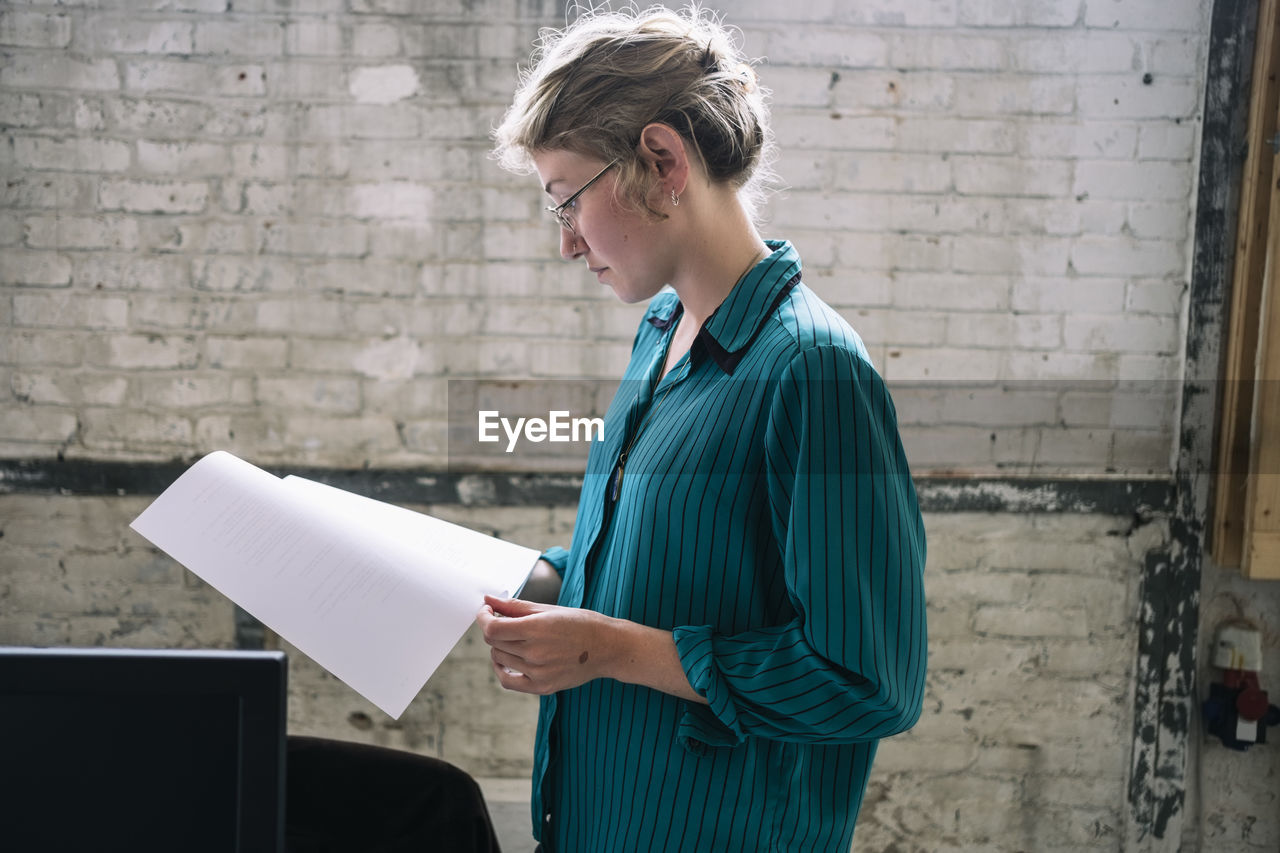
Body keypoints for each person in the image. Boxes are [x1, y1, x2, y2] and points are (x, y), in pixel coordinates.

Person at [477, 6, 927, 852]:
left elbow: (868, 681)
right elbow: (677, 569)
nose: (568, 243)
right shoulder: (661, 337)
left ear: (661, 160)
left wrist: (610, 649)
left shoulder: (812, 371)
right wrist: (539, 580)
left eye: (566, 199)